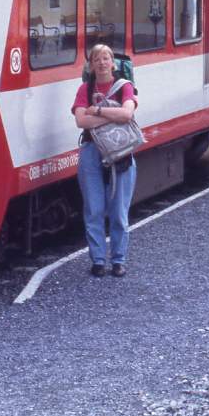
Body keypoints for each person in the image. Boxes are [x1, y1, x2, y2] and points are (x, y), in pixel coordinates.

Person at [72, 43, 138, 278]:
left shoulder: (125, 87)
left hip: (120, 151)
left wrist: (96, 111)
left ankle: (118, 260)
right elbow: (81, 122)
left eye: (106, 58)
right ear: (91, 64)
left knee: (119, 211)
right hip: (92, 151)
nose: (102, 63)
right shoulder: (84, 89)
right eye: (97, 59)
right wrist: (113, 115)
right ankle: (98, 261)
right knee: (94, 209)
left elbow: (128, 114)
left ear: (113, 63)